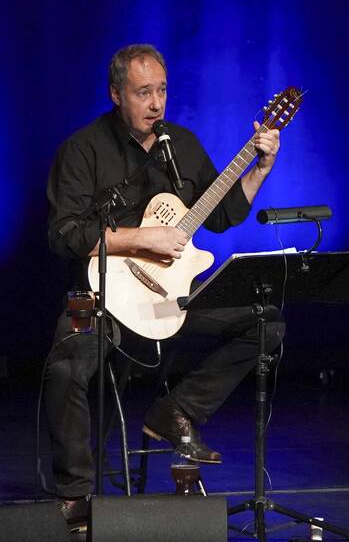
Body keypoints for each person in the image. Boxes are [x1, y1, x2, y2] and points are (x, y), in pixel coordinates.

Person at [45, 44, 285, 524]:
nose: (156, 103)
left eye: (161, 91)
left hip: (169, 297)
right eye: (142, 93)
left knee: (267, 323)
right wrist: (142, 237)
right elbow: (65, 234)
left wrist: (260, 168)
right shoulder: (84, 150)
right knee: (66, 369)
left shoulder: (182, 146)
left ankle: (174, 411)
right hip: (106, 299)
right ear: (116, 94)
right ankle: (74, 496)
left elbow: (222, 215)